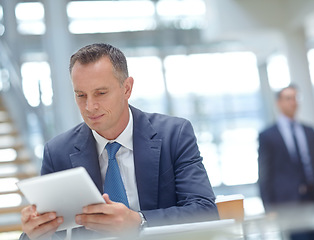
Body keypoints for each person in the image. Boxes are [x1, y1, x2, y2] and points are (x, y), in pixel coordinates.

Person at [20, 43, 219, 240]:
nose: (90, 107)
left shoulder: (174, 135)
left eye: (101, 93)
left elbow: (205, 211)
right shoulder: (57, 152)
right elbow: (53, 233)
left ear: (127, 88)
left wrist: (139, 221)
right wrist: (33, 234)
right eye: (81, 95)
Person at [258, 85, 314, 240]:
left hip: (313, 199)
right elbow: (264, 172)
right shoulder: (268, 136)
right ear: (279, 103)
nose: (293, 102)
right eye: (288, 98)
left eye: (295, 98)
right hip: (288, 203)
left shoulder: (309, 131)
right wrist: (268, 205)